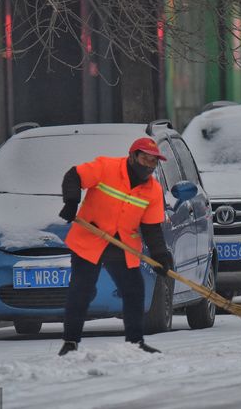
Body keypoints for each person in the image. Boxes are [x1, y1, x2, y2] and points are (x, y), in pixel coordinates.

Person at [57, 137, 173, 356]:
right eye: (145, 159)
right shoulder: (106, 167)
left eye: (153, 162)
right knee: (81, 291)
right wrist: (71, 202)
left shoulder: (153, 191)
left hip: (122, 245)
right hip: (90, 237)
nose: (148, 165)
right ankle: (70, 342)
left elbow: (151, 229)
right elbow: (74, 176)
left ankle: (135, 343)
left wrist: (160, 255)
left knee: (134, 291)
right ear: (132, 156)